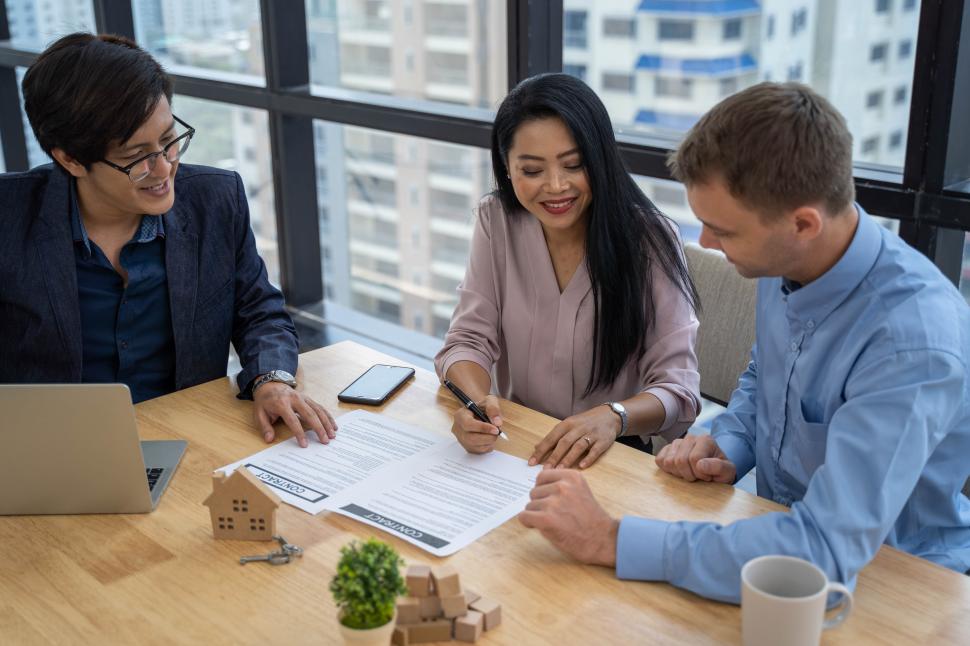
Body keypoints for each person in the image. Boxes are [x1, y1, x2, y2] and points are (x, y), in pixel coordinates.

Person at [518, 82, 970, 602]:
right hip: (769, 533)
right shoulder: (792, 262)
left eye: (723, 231)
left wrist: (613, 539)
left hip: (894, 587)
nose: (706, 244)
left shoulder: (911, 345)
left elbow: (822, 549)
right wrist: (728, 445)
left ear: (802, 224)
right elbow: (765, 380)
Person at [0, 33, 336, 448]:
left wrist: (271, 380)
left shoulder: (214, 199)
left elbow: (258, 310)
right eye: (136, 157)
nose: (163, 169)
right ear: (70, 159)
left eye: (168, 140)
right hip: (54, 451)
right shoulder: (9, 219)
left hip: (188, 437)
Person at [434, 73, 700, 469]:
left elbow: (679, 389)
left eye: (574, 165)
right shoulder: (497, 221)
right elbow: (468, 339)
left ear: (600, 160)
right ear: (507, 168)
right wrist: (476, 403)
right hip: (518, 445)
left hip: (612, 456)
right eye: (532, 170)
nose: (556, 186)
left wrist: (614, 416)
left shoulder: (651, 238)